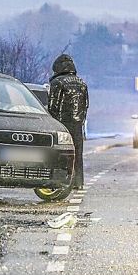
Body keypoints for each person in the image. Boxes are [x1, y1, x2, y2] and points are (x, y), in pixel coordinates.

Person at [47, 53, 89, 189]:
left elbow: (53, 105)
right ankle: (78, 182)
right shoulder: (82, 83)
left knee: (60, 153)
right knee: (77, 154)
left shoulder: (57, 83)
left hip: (62, 123)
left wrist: (52, 121)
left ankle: (61, 181)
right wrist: (81, 120)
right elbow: (86, 104)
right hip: (77, 123)